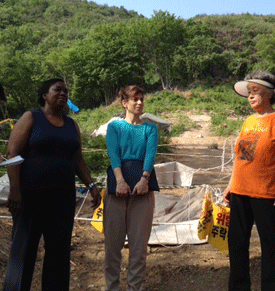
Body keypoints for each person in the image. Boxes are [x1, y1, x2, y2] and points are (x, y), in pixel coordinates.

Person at [3, 78, 101, 291]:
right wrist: (15, 190)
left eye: (66, 91)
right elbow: (12, 153)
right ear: (44, 95)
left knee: (59, 254)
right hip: (30, 197)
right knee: (24, 252)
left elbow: (78, 159)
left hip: (63, 199)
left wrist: (92, 185)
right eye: (58, 89)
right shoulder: (31, 118)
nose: (63, 94)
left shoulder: (71, 125)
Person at [223, 70, 275, 291]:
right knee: (236, 244)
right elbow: (241, 157)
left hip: (267, 194)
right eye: (249, 92)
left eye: (255, 91)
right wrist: (230, 185)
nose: (250, 96)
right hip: (240, 192)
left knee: (270, 245)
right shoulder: (248, 122)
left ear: (270, 94)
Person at [104, 85, 159, 291]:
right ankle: (112, 287)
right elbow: (114, 153)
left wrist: (144, 179)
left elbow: (150, 155)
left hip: (142, 189)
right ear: (124, 103)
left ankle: (135, 287)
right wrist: (119, 180)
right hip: (117, 188)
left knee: (138, 247)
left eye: (142, 99)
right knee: (112, 246)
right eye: (135, 99)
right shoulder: (115, 127)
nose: (139, 103)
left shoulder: (150, 128)